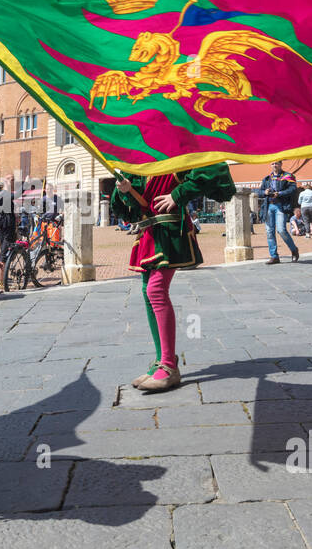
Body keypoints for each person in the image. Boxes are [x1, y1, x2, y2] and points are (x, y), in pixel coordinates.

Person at [112, 164, 236, 392]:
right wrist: (125, 190)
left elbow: (213, 169)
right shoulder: (139, 161)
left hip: (171, 232)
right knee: (147, 292)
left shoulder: (177, 153)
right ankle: (162, 360)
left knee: (155, 291)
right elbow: (133, 208)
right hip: (148, 234)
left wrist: (177, 195)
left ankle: (169, 367)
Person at [258, 160, 300, 264]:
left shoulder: (288, 176)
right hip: (268, 206)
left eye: (276, 163)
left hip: (281, 206)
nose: (274, 165)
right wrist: (265, 192)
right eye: (272, 163)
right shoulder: (267, 178)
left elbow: (293, 189)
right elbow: (259, 192)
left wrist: (280, 193)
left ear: (281, 164)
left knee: (281, 230)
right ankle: (274, 256)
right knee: (269, 232)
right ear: (270, 165)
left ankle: (294, 250)